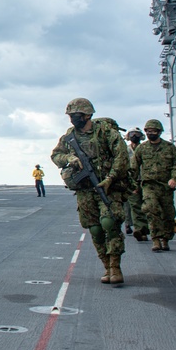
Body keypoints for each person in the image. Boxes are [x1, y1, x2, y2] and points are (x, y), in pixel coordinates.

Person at [51, 98, 129, 285]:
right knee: (95, 228)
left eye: (75, 115)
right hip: (85, 189)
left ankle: (115, 267)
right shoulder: (70, 136)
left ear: (87, 115)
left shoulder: (106, 133)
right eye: (70, 116)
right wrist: (69, 157)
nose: (72, 119)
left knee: (109, 223)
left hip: (107, 186)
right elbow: (55, 155)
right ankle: (106, 265)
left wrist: (110, 179)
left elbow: (122, 157)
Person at [131, 119, 176, 252]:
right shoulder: (142, 148)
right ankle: (155, 239)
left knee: (168, 214)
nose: (151, 133)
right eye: (148, 131)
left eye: (153, 131)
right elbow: (134, 168)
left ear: (159, 132)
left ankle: (165, 239)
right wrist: (133, 185)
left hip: (166, 186)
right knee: (151, 209)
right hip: (149, 186)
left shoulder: (169, 148)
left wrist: (174, 178)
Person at [124, 128, 148, 240]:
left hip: (145, 181)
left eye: (137, 134)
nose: (134, 136)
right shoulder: (125, 150)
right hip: (130, 181)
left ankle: (144, 228)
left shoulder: (144, 149)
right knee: (132, 206)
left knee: (147, 206)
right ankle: (136, 228)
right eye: (132, 134)